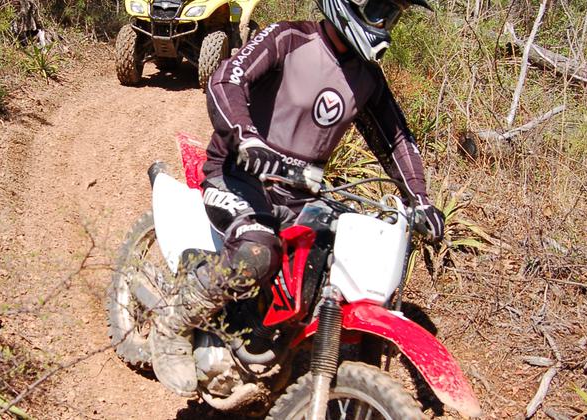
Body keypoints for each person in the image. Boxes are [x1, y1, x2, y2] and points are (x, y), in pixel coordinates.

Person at [147, 0, 447, 396]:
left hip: (298, 191)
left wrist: (420, 199)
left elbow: (395, 140)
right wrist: (245, 134)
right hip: (236, 174)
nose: (383, 23)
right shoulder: (288, 37)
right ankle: (172, 323)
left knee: (324, 261)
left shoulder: (367, 78)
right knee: (257, 251)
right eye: (377, 10)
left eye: (390, 15)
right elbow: (225, 80)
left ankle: (261, 342)